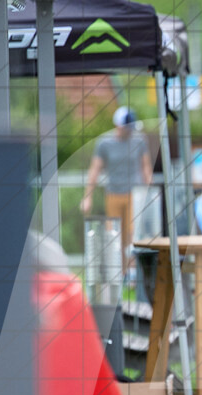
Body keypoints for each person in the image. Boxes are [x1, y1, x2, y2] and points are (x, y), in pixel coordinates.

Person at [81, 106, 153, 273]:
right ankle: (118, 273)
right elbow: (95, 170)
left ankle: (133, 273)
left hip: (134, 194)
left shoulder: (139, 140)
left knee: (133, 233)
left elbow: (146, 168)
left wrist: (150, 194)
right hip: (113, 194)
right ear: (119, 126)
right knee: (114, 234)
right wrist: (87, 197)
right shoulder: (105, 143)